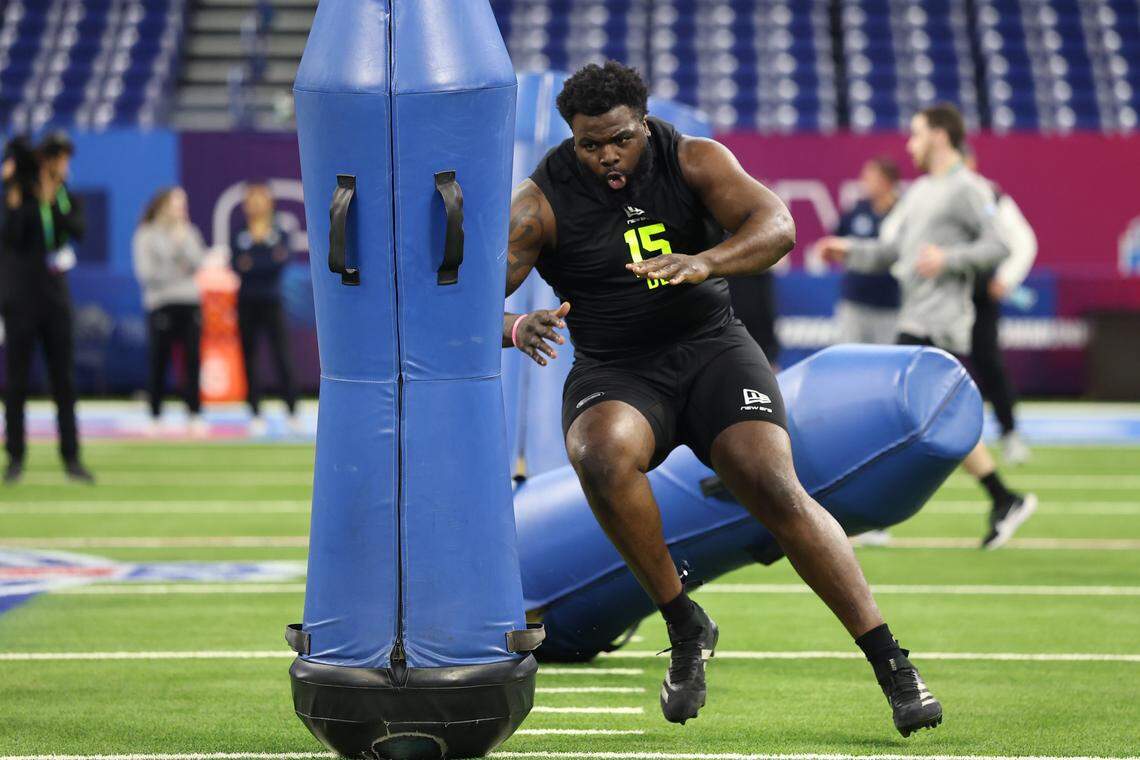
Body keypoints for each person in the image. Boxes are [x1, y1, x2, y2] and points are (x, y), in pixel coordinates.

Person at [502, 62, 942, 736]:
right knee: (598, 452)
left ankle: (892, 664)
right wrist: (512, 326)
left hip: (710, 348)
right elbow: (458, 302)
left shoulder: (693, 158)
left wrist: (706, 261)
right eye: (590, 144)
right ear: (572, 138)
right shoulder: (541, 200)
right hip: (618, 367)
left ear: (642, 123)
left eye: (619, 139)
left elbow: (778, 225)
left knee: (770, 482)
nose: (606, 156)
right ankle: (683, 622)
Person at [819, 103, 1037, 550]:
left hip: (939, 322)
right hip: (915, 315)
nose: (909, 144)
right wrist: (848, 249)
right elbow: (891, 251)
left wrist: (949, 260)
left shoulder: (969, 189)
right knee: (928, 421)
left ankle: (875, 515)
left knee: (895, 415)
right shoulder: (920, 192)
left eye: (916, 134)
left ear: (940, 136)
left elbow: (1000, 244)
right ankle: (1002, 497)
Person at [0, 132, 94, 484]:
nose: (64, 166)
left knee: (64, 381)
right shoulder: (17, 193)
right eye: (59, 158)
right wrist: (19, 195)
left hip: (54, 298)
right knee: (17, 382)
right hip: (20, 297)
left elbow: (75, 231)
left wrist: (52, 200)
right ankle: (15, 458)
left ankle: (71, 457)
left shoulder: (65, 196)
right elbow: (12, 236)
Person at [963, 146, 1037, 465]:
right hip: (942, 296)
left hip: (978, 294)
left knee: (989, 363)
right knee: (929, 364)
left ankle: (1009, 434)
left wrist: (1006, 279)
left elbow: (1023, 241)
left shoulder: (990, 196)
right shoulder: (931, 194)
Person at [132, 187, 208, 437]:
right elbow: (148, 274)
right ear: (163, 205)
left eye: (183, 203)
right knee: (158, 361)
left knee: (192, 361)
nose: (181, 208)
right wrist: (178, 267)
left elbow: (199, 263)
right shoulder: (146, 234)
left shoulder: (189, 232)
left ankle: (194, 414)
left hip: (189, 303)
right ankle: (155, 415)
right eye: (176, 203)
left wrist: (181, 245)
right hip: (161, 304)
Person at [231, 181, 299, 435]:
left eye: (261, 198)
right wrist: (263, 259)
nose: (257, 203)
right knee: (249, 357)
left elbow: (278, 263)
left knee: (282, 355)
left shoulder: (279, 230)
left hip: (272, 299)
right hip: (247, 300)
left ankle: (292, 409)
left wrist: (255, 262)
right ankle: (254, 410)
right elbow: (237, 264)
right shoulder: (239, 232)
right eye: (252, 198)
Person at [833, 157, 901, 345]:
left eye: (870, 177)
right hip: (855, 301)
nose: (864, 182)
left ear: (886, 181)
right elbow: (839, 244)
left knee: (886, 364)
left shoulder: (901, 214)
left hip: (889, 305)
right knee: (850, 363)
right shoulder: (857, 210)